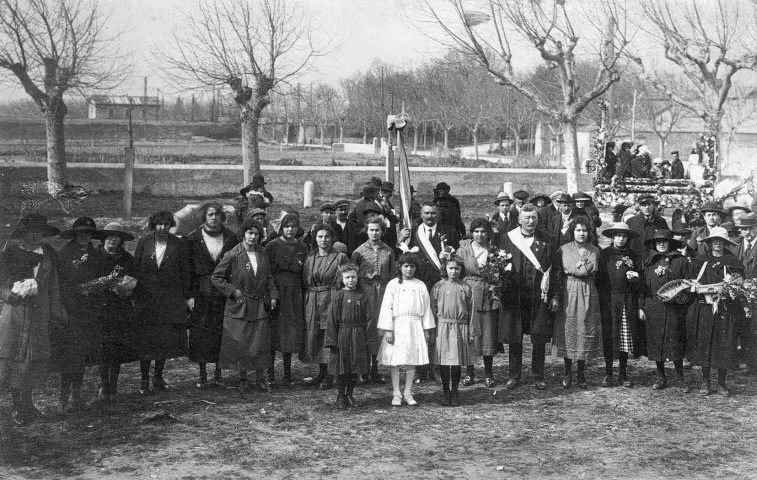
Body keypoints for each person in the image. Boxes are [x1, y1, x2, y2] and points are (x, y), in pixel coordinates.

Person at [0, 214, 62, 425]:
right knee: (17, 359)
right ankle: (17, 407)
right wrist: (10, 294)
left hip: (39, 315)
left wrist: (55, 312)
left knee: (34, 360)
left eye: (39, 232)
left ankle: (29, 403)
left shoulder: (48, 254)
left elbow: (53, 285)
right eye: (31, 232)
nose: (35, 236)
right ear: (23, 234)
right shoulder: (10, 254)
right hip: (16, 313)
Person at [212, 218, 279, 394]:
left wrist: (273, 294)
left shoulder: (263, 253)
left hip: (258, 304)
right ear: (243, 234)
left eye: (256, 234)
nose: (252, 237)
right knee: (242, 342)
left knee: (260, 341)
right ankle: (243, 378)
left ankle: (261, 378)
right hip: (240, 304)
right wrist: (232, 291)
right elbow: (216, 277)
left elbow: (269, 277)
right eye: (249, 233)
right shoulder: (232, 254)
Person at [497, 205, 557, 390]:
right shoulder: (507, 238)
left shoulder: (547, 239)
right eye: (527, 218)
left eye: (534, 218)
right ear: (519, 220)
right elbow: (499, 265)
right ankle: (514, 375)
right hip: (515, 296)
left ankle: (538, 375)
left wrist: (555, 295)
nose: (531, 221)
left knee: (538, 337)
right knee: (515, 337)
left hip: (539, 296)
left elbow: (555, 270)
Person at [134, 211, 192, 395]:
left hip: (169, 299)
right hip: (147, 299)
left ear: (170, 226)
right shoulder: (144, 242)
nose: (162, 228)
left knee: (163, 340)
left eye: (166, 224)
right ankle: (144, 379)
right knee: (146, 339)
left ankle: (158, 376)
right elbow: (135, 268)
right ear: (153, 225)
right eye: (159, 224)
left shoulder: (178, 244)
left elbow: (185, 272)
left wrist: (187, 297)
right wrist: (135, 294)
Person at [687, 227, 746, 396]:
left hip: (725, 310)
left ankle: (721, 383)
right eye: (715, 240)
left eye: (721, 241)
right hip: (705, 309)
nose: (718, 243)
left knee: (724, 345)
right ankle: (705, 382)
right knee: (705, 344)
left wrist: (730, 290)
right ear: (710, 242)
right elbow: (692, 282)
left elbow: (740, 286)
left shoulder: (733, 262)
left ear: (726, 243)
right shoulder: (701, 260)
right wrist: (696, 287)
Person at [187, 202, 239, 389]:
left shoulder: (231, 237)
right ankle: (202, 373)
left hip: (223, 290)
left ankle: (218, 372)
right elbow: (188, 270)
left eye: (217, 214)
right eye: (210, 214)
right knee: (201, 331)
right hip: (201, 291)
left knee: (221, 331)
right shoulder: (193, 239)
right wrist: (190, 295)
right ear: (204, 217)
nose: (214, 218)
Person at [55, 216, 104, 411]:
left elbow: (100, 278)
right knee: (70, 356)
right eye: (80, 233)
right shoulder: (65, 254)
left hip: (90, 312)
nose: (84, 236)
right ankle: (63, 399)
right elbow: (58, 284)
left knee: (83, 354)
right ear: (74, 235)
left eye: (88, 233)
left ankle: (77, 395)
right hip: (70, 311)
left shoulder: (95, 253)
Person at [377, 253, 436, 406]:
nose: (409, 269)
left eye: (412, 266)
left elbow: (426, 308)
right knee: (396, 360)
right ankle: (396, 393)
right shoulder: (393, 284)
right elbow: (386, 307)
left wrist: (426, 329)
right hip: (398, 325)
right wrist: (388, 329)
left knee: (411, 359)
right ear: (400, 267)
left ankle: (408, 392)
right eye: (406, 266)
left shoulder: (420, 285)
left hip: (415, 325)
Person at [551, 216, 602, 389]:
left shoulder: (595, 251)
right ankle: (567, 372)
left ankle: (581, 373)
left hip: (588, 289)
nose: (582, 233)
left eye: (585, 230)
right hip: (569, 290)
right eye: (578, 230)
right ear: (573, 232)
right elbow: (557, 273)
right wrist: (556, 296)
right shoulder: (563, 250)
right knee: (569, 329)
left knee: (584, 329)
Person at [640, 230, 691, 392]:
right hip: (654, 306)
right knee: (657, 342)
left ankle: (680, 378)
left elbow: (688, 285)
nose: (661, 244)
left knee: (675, 340)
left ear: (670, 243)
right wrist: (641, 306)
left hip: (675, 308)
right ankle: (661, 376)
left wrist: (680, 299)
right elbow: (642, 287)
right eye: (658, 241)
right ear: (654, 244)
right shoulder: (649, 261)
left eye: (664, 241)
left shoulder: (680, 261)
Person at [596, 223, 644, 388]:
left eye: (624, 236)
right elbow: (599, 279)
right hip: (609, 300)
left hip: (627, 299)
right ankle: (608, 373)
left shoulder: (634, 256)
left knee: (624, 338)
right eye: (618, 235)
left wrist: (636, 278)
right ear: (612, 237)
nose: (621, 239)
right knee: (609, 336)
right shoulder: (604, 254)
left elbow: (641, 279)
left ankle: (623, 374)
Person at [301, 224, 349, 389]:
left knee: (329, 335)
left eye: (327, 237)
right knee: (315, 335)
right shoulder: (309, 257)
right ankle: (321, 372)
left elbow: (348, 277)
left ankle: (330, 374)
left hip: (331, 299)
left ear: (332, 238)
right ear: (315, 238)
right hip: (313, 300)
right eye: (320, 236)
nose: (324, 240)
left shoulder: (340, 257)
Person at [95, 222, 139, 401]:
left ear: (121, 240)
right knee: (102, 348)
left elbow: (135, 280)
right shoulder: (94, 256)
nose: (113, 239)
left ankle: (113, 385)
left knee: (117, 348)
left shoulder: (127, 258)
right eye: (109, 235)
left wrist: (127, 286)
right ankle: (103, 385)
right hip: (99, 309)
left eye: (117, 236)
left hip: (120, 309)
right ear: (104, 237)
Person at [264, 213, 307, 386]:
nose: (290, 230)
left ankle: (287, 375)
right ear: (282, 227)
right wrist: (271, 293)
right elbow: (267, 272)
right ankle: (270, 374)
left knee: (289, 333)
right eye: (287, 226)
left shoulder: (302, 246)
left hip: (295, 293)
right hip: (277, 291)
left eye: (293, 226)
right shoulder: (272, 245)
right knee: (274, 332)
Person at [431, 254, 479, 407]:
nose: (453, 271)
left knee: (457, 363)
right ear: (445, 269)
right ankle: (446, 391)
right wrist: (432, 330)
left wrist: (472, 331)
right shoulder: (438, 286)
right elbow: (432, 309)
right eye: (451, 268)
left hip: (460, 327)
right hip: (443, 327)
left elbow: (472, 311)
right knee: (444, 362)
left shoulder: (466, 287)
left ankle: (455, 391)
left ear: (461, 269)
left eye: (457, 268)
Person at [351, 217, 395, 384]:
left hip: (382, 292)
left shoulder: (389, 251)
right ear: (366, 231)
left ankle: (375, 369)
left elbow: (391, 276)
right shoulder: (359, 251)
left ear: (382, 231)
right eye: (371, 230)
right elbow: (352, 274)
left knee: (379, 327)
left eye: (377, 230)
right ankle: (363, 369)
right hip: (365, 291)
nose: (374, 233)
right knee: (365, 327)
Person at [457, 218, 499, 387]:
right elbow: (456, 272)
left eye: (483, 231)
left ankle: (488, 373)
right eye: (476, 231)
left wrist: (495, 283)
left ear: (488, 234)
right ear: (471, 233)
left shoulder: (494, 251)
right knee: (471, 333)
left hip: (488, 293)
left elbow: (499, 270)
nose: (479, 235)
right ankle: (470, 372)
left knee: (488, 333)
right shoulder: (463, 250)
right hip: (470, 291)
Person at [324, 263, 368, 409]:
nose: (351, 280)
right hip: (342, 334)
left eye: (353, 277)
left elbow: (368, 317)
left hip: (358, 334)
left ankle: (350, 394)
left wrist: (366, 337)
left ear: (358, 278)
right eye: (347, 277)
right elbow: (332, 319)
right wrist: (332, 340)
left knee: (355, 365)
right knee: (342, 367)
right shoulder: (338, 295)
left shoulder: (362, 295)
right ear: (342, 279)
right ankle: (340, 395)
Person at [734, 213, 757, 372]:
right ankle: (739, 362)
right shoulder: (735, 246)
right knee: (740, 327)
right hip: (739, 296)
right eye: (744, 229)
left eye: (750, 229)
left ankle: (752, 364)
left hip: (755, 297)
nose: (747, 233)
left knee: (754, 329)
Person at [626, 195, 669, 259]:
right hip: (636, 259)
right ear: (640, 206)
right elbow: (626, 242)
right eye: (643, 205)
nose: (647, 207)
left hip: (655, 260)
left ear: (653, 205)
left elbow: (667, 241)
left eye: (649, 204)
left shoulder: (661, 221)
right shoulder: (631, 222)